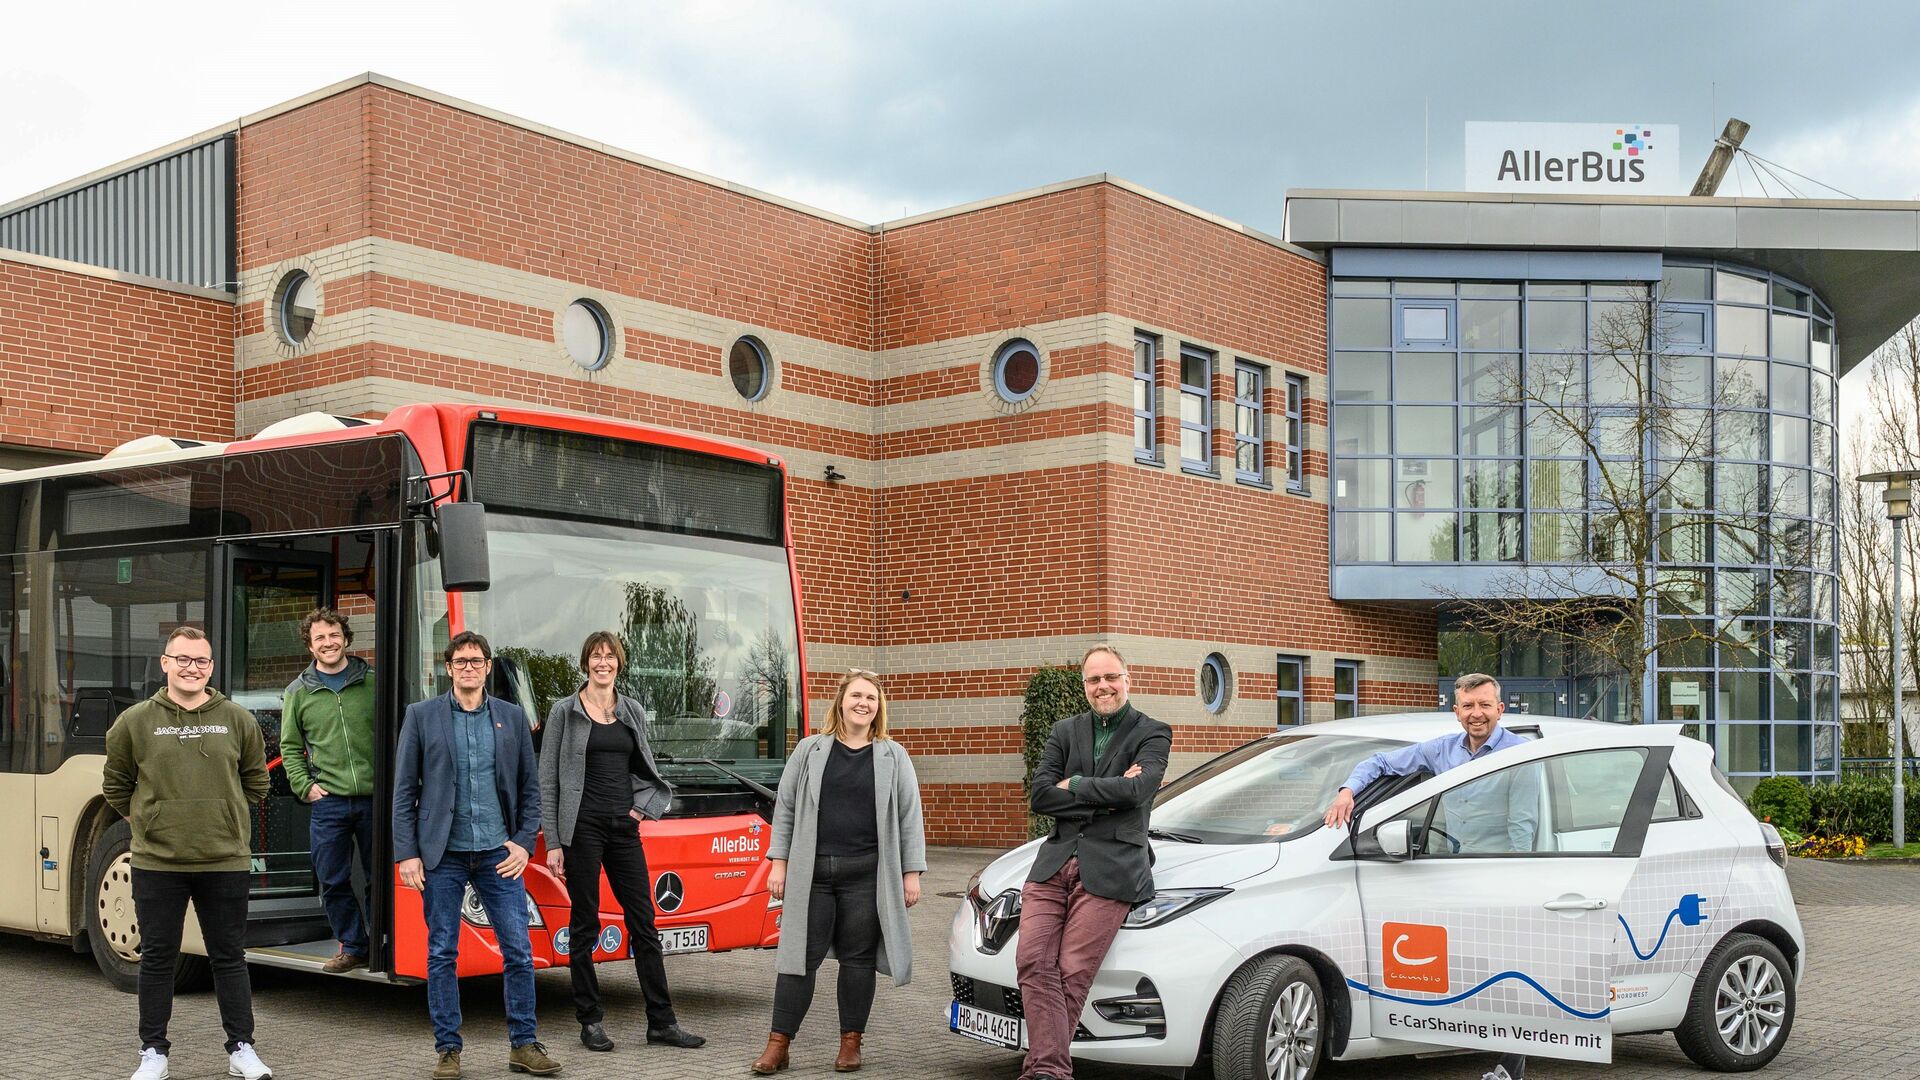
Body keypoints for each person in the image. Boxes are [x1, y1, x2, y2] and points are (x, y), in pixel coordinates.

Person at [1321, 671, 1535, 1080]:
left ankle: (1510, 1070)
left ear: (1500, 709)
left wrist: (1515, 887)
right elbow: (1380, 763)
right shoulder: (1441, 751)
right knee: (1459, 970)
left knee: (1509, 976)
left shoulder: (1517, 753)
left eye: (1485, 705)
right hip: (1448, 876)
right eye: (1469, 706)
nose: (1477, 714)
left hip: (1496, 875)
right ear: (1456, 711)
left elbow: (1522, 828)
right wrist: (1348, 791)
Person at [102, 626, 274, 1080]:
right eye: (182, 659)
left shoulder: (237, 719)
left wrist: (224, 816)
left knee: (229, 956)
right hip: (158, 862)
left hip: (225, 859)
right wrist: (150, 820)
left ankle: (241, 1049)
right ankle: (153, 1051)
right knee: (159, 957)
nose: (191, 668)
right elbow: (116, 786)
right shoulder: (135, 721)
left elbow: (257, 782)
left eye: (200, 661)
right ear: (165, 663)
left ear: (211, 667)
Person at [393, 632, 559, 1080]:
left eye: (477, 660)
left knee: (519, 952)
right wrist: (406, 853)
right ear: (448, 667)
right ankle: (448, 1049)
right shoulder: (422, 716)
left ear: (488, 667)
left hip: (498, 854)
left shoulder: (510, 717)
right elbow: (404, 789)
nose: (469, 667)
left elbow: (530, 788)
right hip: (440, 854)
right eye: (461, 660)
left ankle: (523, 1045)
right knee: (442, 953)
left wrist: (525, 842)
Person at [751, 670, 927, 1075]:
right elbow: (787, 808)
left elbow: (909, 816)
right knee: (799, 957)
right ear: (841, 702)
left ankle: (851, 1043)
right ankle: (779, 1043)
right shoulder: (810, 750)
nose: (863, 703)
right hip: (812, 876)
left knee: (858, 959)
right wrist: (779, 863)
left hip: (866, 877)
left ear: (878, 707)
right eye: (856, 696)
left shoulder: (893, 755)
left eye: (871, 698)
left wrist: (911, 872)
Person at [539, 631, 704, 1053]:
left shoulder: (631, 710)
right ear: (585, 663)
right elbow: (548, 781)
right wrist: (554, 842)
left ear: (619, 663)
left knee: (644, 925)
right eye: (596, 656)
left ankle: (662, 1023)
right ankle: (590, 1020)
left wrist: (639, 809)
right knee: (585, 924)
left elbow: (646, 769)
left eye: (610, 656)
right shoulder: (565, 711)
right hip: (582, 829)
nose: (603, 663)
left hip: (624, 829)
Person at [1016, 645, 1171, 1080]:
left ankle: (1044, 1072)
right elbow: (1042, 795)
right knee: (1032, 961)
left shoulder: (1152, 732)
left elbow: (1137, 794)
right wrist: (1105, 794)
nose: (1102, 686)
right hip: (1053, 864)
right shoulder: (1065, 731)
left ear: (1128, 677)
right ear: (1084, 685)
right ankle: (1050, 1071)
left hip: (1112, 869)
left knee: (1071, 971)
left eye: (1110, 677)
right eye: (1093, 680)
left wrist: (1077, 785)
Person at [281, 606, 377, 974]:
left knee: (377, 878)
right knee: (332, 878)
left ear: (346, 639)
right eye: (319, 637)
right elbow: (290, 746)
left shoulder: (372, 680)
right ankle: (354, 946)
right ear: (310, 646)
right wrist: (305, 786)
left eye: (334, 635)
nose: (328, 642)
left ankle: (383, 941)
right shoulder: (298, 692)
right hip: (329, 802)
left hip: (374, 799)